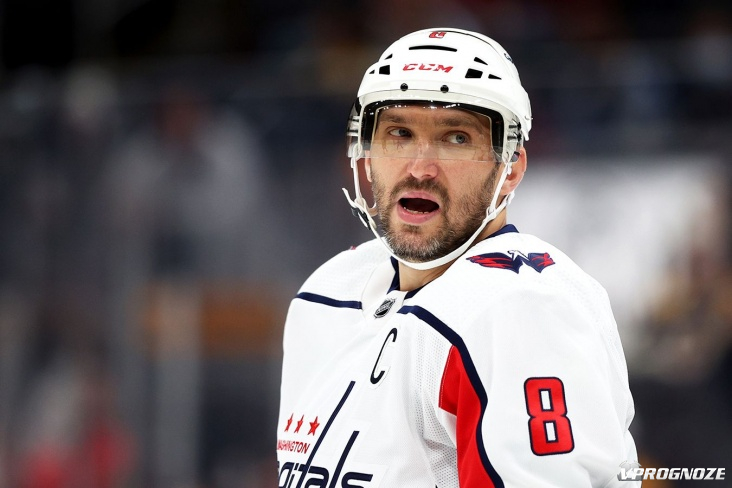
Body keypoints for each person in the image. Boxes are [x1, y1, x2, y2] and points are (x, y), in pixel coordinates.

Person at [277, 28, 639, 487]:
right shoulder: (327, 292)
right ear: (364, 154)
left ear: (510, 168)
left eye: (456, 138)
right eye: (399, 133)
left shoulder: (518, 307)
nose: (420, 168)